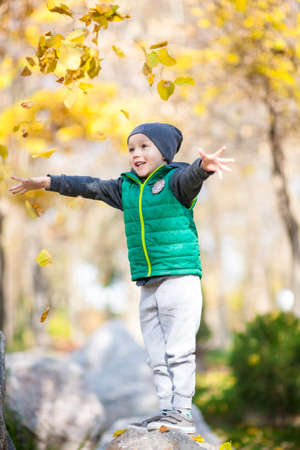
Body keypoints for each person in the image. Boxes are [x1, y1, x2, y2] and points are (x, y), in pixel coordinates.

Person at [8, 122, 234, 434]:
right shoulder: (125, 188)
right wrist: (46, 182)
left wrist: (203, 167)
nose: (136, 154)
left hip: (180, 279)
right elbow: (87, 185)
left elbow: (191, 177)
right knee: (156, 356)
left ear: (165, 153)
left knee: (179, 352)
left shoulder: (175, 181)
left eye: (145, 147)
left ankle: (182, 411)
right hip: (147, 283)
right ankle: (168, 411)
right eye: (131, 148)